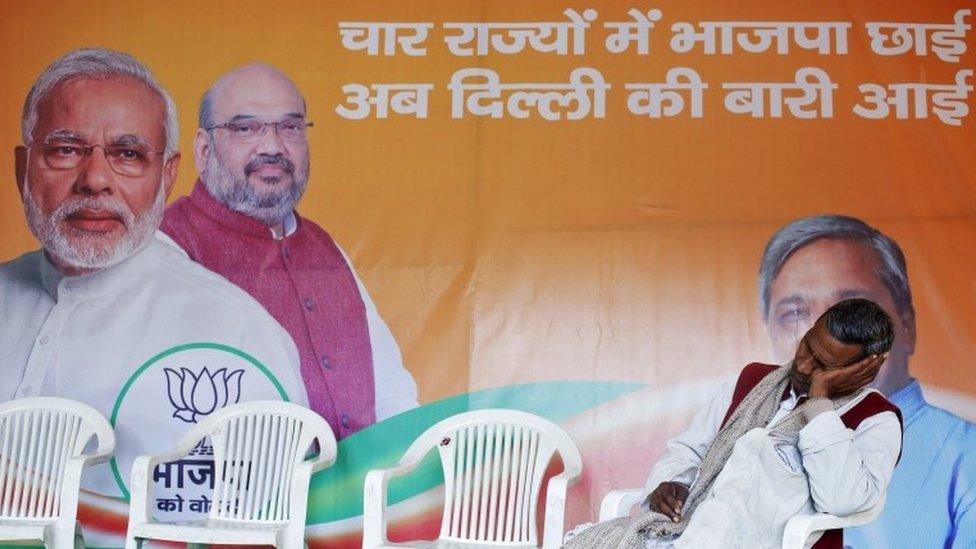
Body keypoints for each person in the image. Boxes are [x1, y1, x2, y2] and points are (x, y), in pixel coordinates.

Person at [0, 49, 308, 528]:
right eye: (65, 149)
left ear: (167, 177)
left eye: (128, 155)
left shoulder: (235, 331)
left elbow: (268, 521)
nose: (95, 180)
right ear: (24, 170)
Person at [161, 63, 417, 439]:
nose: (272, 147)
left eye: (290, 128)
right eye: (246, 128)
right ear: (203, 149)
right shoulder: (166, 248)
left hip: (355, 492)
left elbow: (392, 392)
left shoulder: (326, 249)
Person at [566, 299, 903, 549]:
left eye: (823, 365)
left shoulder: (876, 419)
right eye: (807, 346)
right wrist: (670, 483)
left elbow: (843, 500)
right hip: (688, 531)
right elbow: (688, 449)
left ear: (864, 370)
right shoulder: (752, 380)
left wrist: (820, 404)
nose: (802, 365)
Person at [759, 214, 976, 547]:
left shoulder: (966, 455)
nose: (824, 333)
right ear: (771, 334)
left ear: (907, 327)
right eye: (796, 313)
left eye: (852, 308)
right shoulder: (753, 439)